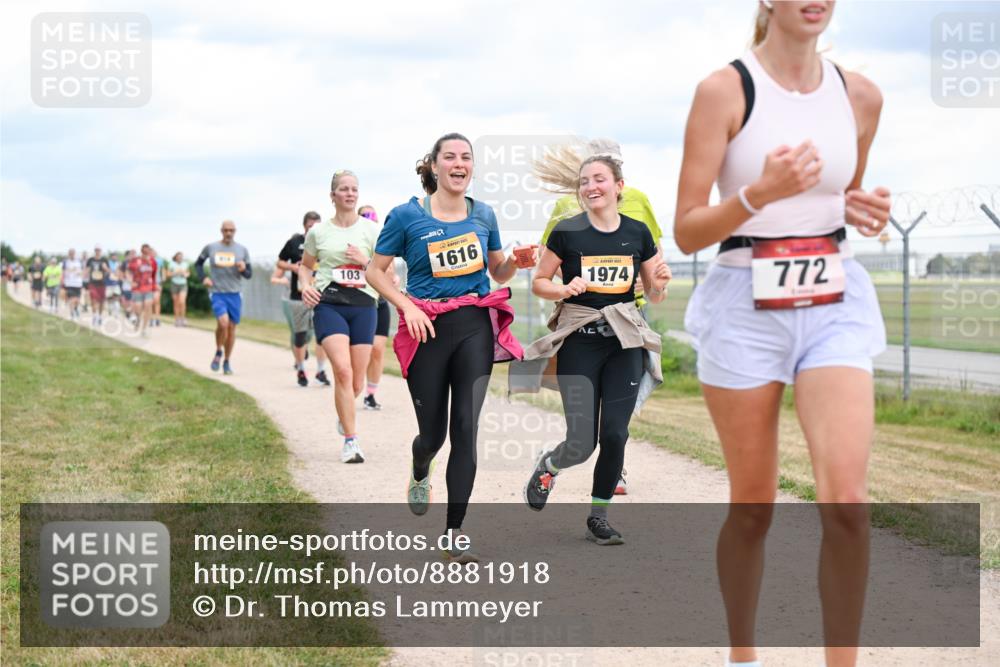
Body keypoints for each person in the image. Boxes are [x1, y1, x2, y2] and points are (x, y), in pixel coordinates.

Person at [674, 2, 891, 666]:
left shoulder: (861, 96)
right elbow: (687, 229)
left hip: (834, 298)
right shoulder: (724, 90)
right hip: (744, 302)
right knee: (753, 507)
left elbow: (840, 197)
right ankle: (743, 655)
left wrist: (862, 208)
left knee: (847, 504)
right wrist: (757, 194)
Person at [366, 133, 533, 562]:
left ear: (472, 167)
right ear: (435, 166)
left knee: (465, 428)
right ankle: (420, 465)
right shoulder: (406, 216)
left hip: (474, 325)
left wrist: (516, 262)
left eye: (466, 157)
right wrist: (407, 306)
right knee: (433, 435)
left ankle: (454, 532)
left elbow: (498, 272)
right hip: (426, 328)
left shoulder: (484, 215)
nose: (459, 164)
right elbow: (375, 271)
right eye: (451, 157)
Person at [521, 154, 670, 545]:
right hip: (580, 343)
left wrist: (660, 283)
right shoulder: (567, 232)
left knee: (616, 434)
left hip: (624, 343)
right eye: (585, 181)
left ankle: (598, 518)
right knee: (582, 443)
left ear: (619, 186)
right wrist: (563, 288)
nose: (591, 187)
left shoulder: (638, 232)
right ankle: (550, 464)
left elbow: (654, 295)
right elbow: (539, 281)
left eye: (599, 179)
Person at [299, 172, 379, 462]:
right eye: (344, 189)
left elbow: (385, 269)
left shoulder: (372, 230)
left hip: (364, 305)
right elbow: (305, 266)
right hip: (329, 302)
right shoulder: (318, 232)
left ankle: (344, 415)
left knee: (356, 383)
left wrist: (364, 261)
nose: (350, 193)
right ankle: (351, 441)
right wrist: (306, 285)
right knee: (342, 371)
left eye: (354, 189)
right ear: (332, 195)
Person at [278, 211, 331, 387]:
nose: (314, 229)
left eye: (317, 226)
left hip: (321, 295)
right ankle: (301, 369)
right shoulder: (295, 242)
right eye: (310, 226)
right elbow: (280, 262)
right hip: (299, 296)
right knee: (300, 336)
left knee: (322, 335)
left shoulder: (327, 242)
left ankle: (321, 371)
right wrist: (293, 267)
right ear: (304, 226)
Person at [196, 220, 252, 375]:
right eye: (226, 230)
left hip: (235, 293)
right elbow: (198, 264)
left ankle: (226, 361)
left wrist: (243, 269)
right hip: (217, 292)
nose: (228, 233)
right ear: (221, 231)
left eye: (231, 230)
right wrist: (203, 278)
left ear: (235, 231)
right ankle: (218, 350)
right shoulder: (211, 247)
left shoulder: (242, 250)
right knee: (223, 323)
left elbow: (249, 274)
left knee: (231, 328)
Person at [358, 205, 397, 410]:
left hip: (380, 301)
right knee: (361, 352)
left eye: (372, 217)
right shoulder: (353, 243)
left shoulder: (383, 243)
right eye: (365, 217)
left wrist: (365, 261)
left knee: (378, 349)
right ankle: (353, 386)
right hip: (359, 302)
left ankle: (370, 395)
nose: (370, 220)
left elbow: (389, 273)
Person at [128, 244, 158, 337]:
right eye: (144, 251)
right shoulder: (136, 260)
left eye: (148, 251)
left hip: (148, 288)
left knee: (148, 306)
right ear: (141, 251)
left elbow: (154, 275)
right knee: (138, 308)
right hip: (138, 288)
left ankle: (144, 329)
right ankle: (137, 320)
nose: (146, 253)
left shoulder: (153, 262)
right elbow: (128, 271)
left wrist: (154, 287)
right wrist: (131, 281)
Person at [85, 246, 111, 326]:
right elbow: (87, 270)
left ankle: (99, 316)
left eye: (99, 250)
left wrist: (105, 268)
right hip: (93, 283)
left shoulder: (104, 260)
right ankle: (94, 316)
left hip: (102, 283)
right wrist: (83, 276)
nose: (97, 251)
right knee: (93, 300)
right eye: (96, 250)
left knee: (101, 301)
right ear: (94, 251)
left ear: (101, 251)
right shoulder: (90, 260)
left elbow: (109, 271)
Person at [166, 251, 190, 326]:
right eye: (178, 256)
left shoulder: (185, 264)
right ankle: (177, 320)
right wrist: (175, 272)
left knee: (182, 301)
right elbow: (168, 274)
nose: (180, 258)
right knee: (176, 303)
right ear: (176, 257)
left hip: (183, 284)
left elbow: (188, 273)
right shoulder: (171, 264)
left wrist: (184, 274)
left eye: (181, 256)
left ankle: (183, 319)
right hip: (174, 284)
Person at [61, 248, 84, 320]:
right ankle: (72, 313)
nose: (72, 255)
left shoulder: (79, 262)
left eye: (73, 253)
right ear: (68, 254)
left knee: (77, 299)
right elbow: (63, 272)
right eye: (70, 253)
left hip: (78, 283)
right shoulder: (66, 262)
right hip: (69, 283)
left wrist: (80, 274)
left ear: (75, 254)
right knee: (71, 298)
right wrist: (62, 280)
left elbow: (82, 271)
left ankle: (76, 308)